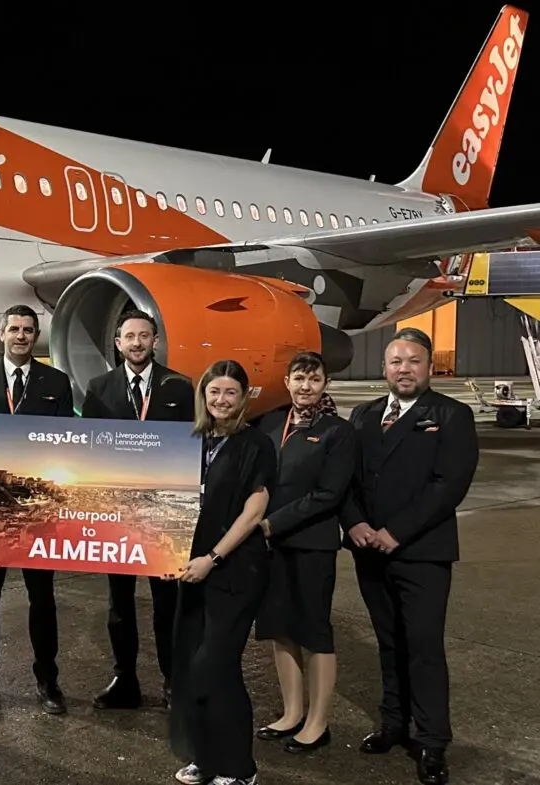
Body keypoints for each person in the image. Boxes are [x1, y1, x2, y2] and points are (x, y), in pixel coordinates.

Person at [341, 327, 479, 785]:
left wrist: (395, 532)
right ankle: (393, 724)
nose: (404, 369)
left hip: (421, 552)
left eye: (414, 361)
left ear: (429, 366)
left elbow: (449, 485)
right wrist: (355, 523)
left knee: (423, 647)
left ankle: (433, 741)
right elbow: (347, 480)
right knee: (388, 641)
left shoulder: (452, 414)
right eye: (396, 361)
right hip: (369, 550)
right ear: (384, 368)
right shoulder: (362, 416)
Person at [0, 304, 75, 715]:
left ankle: (48, 679)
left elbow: (65, 441)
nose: (21, 336)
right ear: (1, 333)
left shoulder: (56, 382)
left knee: (42, 599)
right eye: (14, 329)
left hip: (37, 508)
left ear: (35, 335)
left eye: (28, 330)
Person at [170, 359, 276, 785]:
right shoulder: (190, 440)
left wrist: (213, 558)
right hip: (189, 570)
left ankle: (240, 769)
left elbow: (254, 511)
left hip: (233, 571)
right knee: (192, 667)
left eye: (231, 392)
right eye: (214, 391)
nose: (221, 399)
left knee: (215, 668)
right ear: (203, 395)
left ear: (244, 397)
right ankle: (205, 757)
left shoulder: (256, 444)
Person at [81, 309, 194, 710]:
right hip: (117, 514)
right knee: (119, 604)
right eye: (129, 337)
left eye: (144, 336)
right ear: (118, 343)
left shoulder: (179, 387)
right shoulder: (99, 388)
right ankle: (124, 678)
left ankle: (172, 679)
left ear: (155, 341)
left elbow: (192, 448)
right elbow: (89, 449)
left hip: (163, 514)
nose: (137, 343)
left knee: (167, 604)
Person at [254, 351, 356, 755]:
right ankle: (291, 713)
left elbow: (329, 494)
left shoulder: (337, 432)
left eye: (314, 379)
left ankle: (318, 721)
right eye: (299, 378)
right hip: (272, 546)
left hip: (312, 543)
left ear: (325, 384)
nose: (306, 386)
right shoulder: (272, 423)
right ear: (287, 381)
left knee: (314, 631)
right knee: (281, 628)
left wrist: (271, 522)